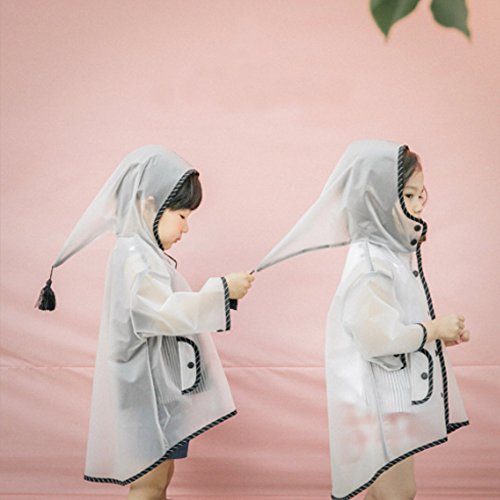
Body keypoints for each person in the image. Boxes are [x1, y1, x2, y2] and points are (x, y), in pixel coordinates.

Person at [36, 145, 254, 499]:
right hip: (143, 393)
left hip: (154, 390)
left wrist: (222, 295)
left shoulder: (143, 252)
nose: (186, 227)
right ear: (148, 206)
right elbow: (160, 313)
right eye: (181, 215)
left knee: (158, 478)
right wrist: (222, 289)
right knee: (148, 482)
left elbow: (162, 308)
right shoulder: (134, 254)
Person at [255, 139, 469, 500]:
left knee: (388, 492)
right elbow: (376, 338)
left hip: (390, 396)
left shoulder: (388, 255)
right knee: (398, 492)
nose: (419, 205)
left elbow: (392, 321)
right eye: (409, 195)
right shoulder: (373, 263)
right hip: (379, 400)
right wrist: (432, 329)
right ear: (376, 201)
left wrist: (435, 335)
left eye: (421, 195)